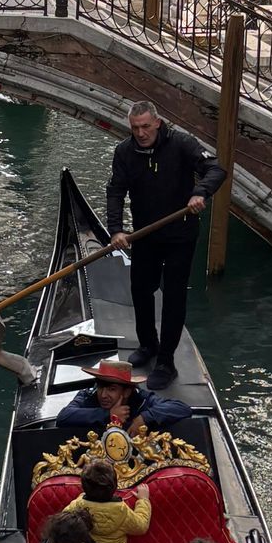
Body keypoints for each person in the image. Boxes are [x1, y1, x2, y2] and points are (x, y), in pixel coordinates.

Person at [106, 104, 226, 387]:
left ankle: (166, 362)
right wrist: (115, 230)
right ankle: (148, 344)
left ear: (157, 123)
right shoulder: (124, 151)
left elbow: (216, 169)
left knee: (173, 296)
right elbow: (115, 191)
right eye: (135, 128)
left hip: (180, 235)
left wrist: (200, 192)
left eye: (146, 127)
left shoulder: (182, 143)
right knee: (140, 290)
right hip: (145, 234)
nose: (141, 133)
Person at [56, 356, 203, 436]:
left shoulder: (143, 399)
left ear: (127, 392)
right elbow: (63, 417)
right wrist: (108, 415)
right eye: (101, 387)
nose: (103, 395)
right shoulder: (88, 395)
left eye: (112, 389)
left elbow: (182, 408)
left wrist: (144, 418)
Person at [63, 455, 150, 543]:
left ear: (83, 485)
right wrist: (143, 500)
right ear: (115, 485)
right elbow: (141, 526)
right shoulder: (122, 511)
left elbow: (62, 524)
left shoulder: (77, 506)